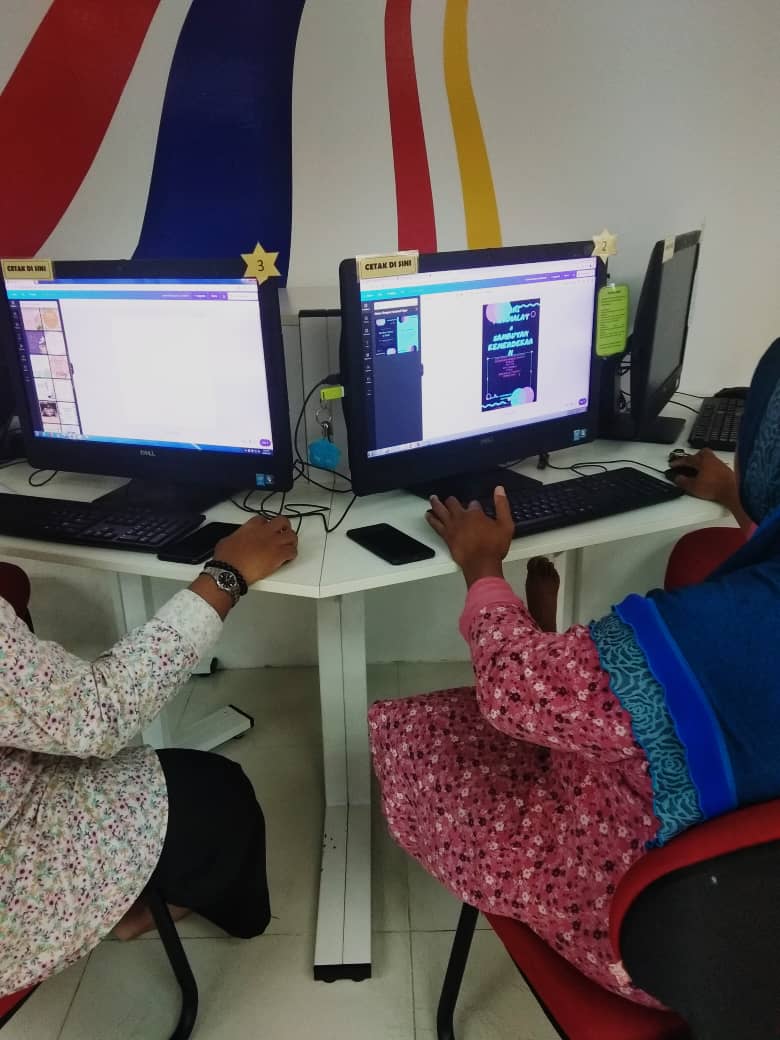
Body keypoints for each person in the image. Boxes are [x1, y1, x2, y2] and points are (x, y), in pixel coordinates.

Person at [370, 338, 780, 1006]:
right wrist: (742, 502)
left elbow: (513, 695)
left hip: (653, 939)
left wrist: (482, 570)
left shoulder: (713, 633)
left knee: (419, 735)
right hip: (759, 939)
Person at [0, 516, 297, 997]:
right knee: (218, 791)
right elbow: (98, 711)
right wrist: (227, 575)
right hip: (18, 900)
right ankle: (165, 916)